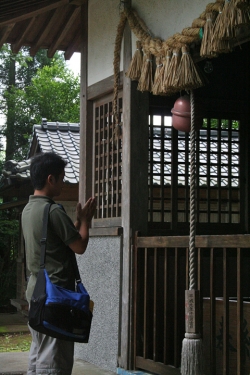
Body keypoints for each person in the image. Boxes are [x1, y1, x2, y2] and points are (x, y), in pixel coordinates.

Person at [22, 152, 96, 375]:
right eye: (62, 178)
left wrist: (77, 223)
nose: (63, 184)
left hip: (36, 292)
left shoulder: (28, 210)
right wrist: (85, 221)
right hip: (57, 296)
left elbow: (56, 240)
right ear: (50, 179)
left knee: (39, 353)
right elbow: (79, 246)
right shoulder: (53, 210)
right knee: (54, 361)